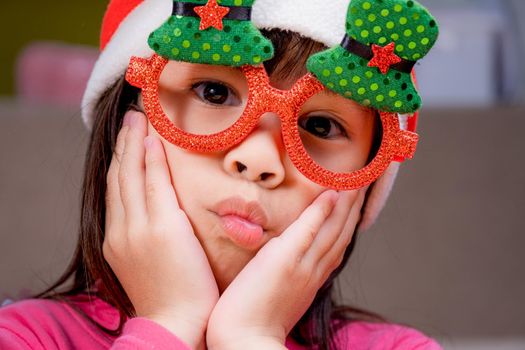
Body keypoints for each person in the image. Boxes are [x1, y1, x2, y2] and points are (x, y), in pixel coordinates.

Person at [0, 0, 441, 348]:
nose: (260, 159)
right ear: (123, 124)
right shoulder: (23, 339)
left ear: (365, 186)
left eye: (320, 126)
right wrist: (169, 323)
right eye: (214, 92)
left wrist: (252, 340)